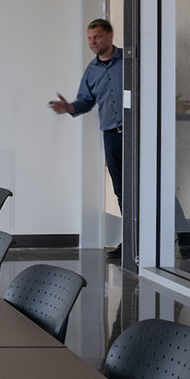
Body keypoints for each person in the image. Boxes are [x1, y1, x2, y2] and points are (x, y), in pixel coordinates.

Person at [49, 18, 123, 261]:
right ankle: (133, 241)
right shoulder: (91, 71)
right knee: (121, 189)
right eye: (89, 38)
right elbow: (86, 101)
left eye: (97, 37)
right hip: (111, 135)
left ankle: (185, 233)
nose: (92, 42)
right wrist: (69, 107)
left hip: (135, 134)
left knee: (152, 184)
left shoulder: (129, 61)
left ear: (110, 36)